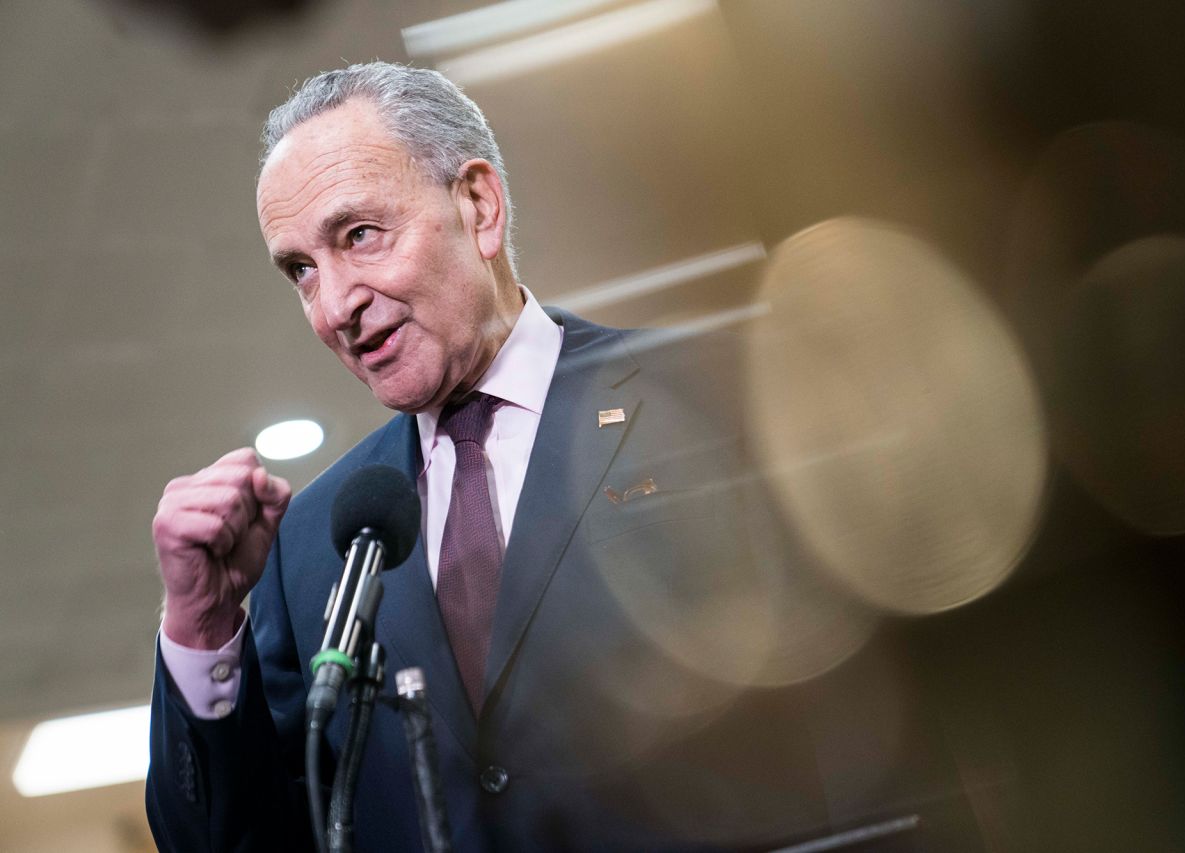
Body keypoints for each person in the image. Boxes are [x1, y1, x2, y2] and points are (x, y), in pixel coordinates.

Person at [146, 62, 982, 852]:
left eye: (360, 235)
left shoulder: (726, 392)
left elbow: (908, 705)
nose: (334, 306)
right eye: (300, 269)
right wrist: (202, 628)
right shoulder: (314, 539)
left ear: (479, 206)